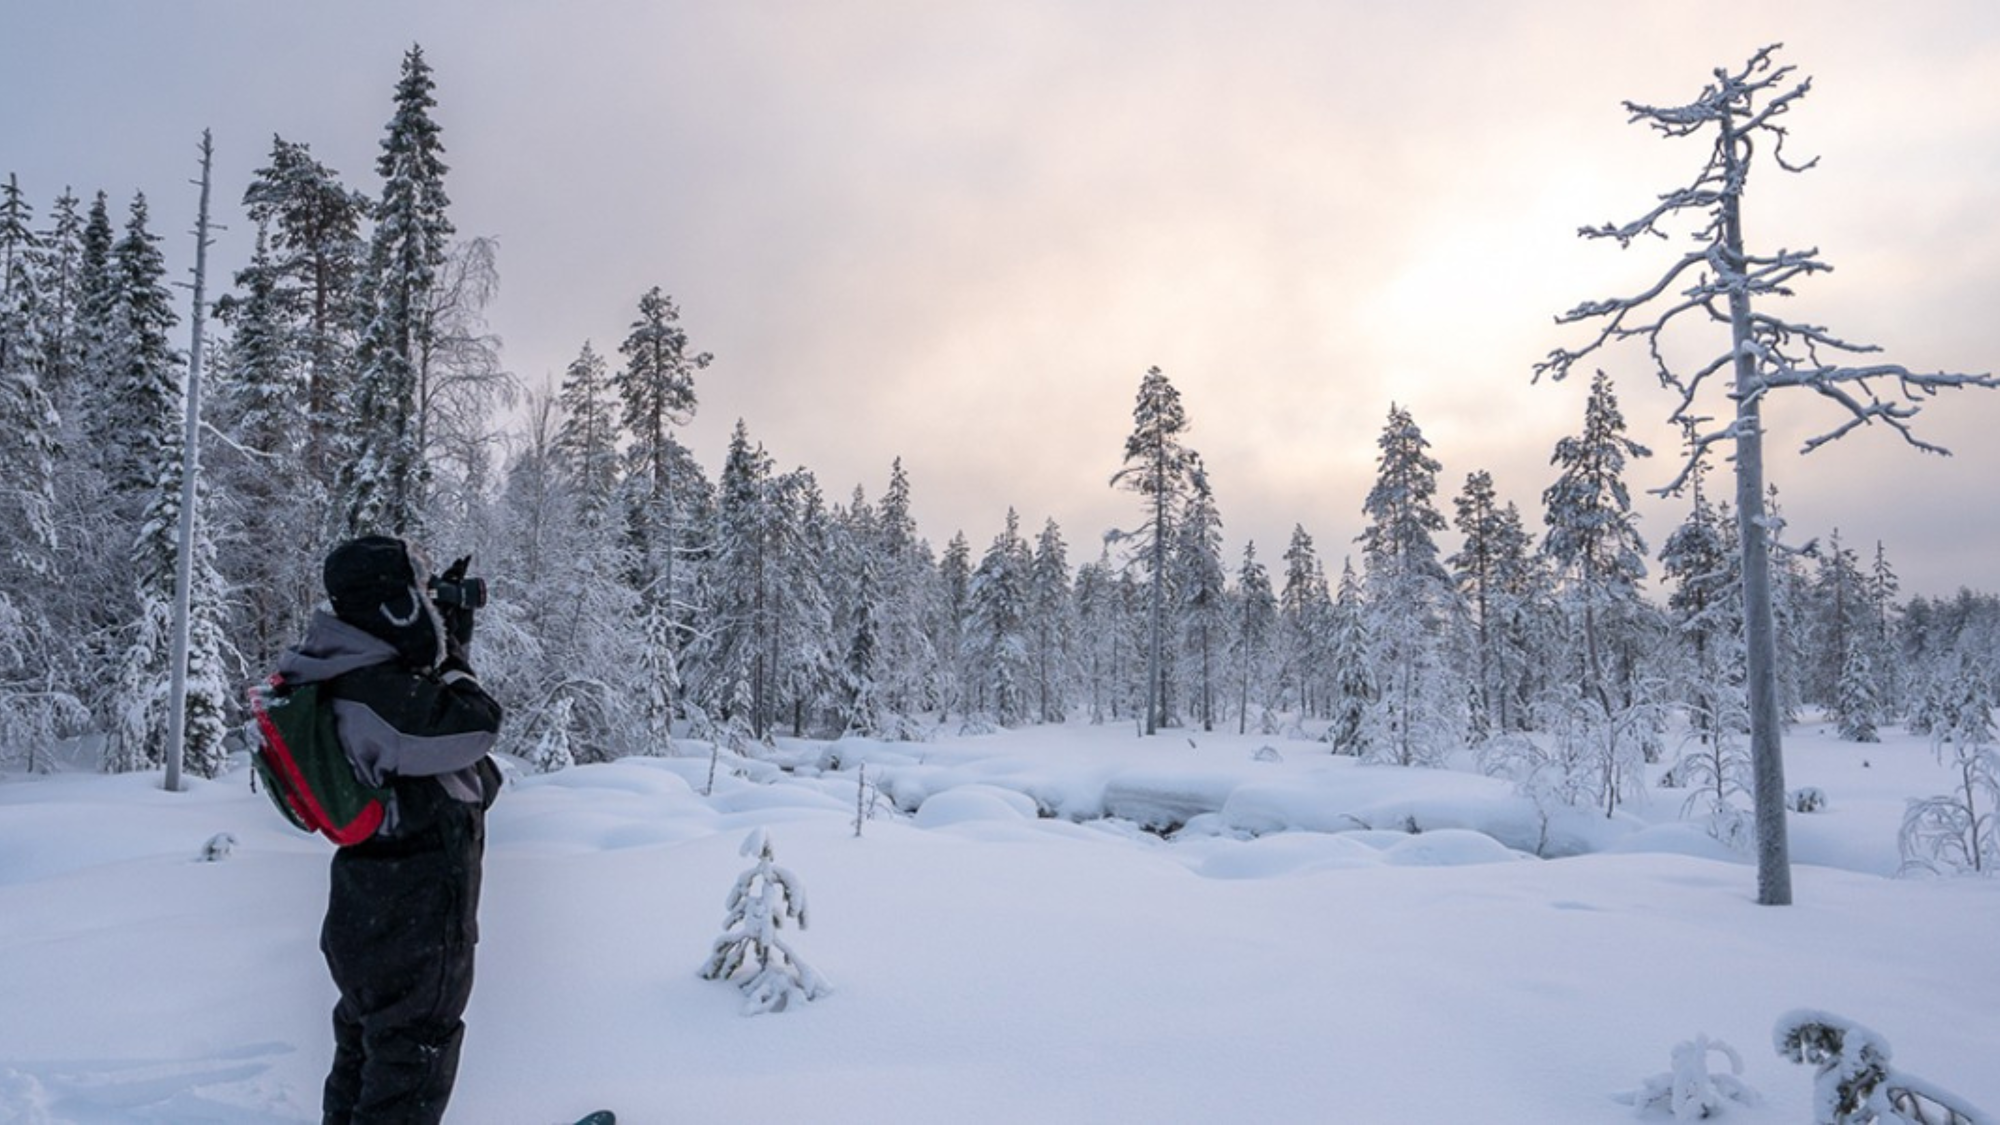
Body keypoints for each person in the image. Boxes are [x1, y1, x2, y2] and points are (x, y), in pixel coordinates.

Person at [275, 535, 504, 1124]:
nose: (426, 602)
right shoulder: (376, 694)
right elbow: (477, 726)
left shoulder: (346, 670)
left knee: (366, 1044)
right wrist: (451, 654)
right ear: (393, 604)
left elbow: (474, 781)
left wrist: (444, 646)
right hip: (415, 915)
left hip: (371, 909)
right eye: (417, 590)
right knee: (412, 1057)